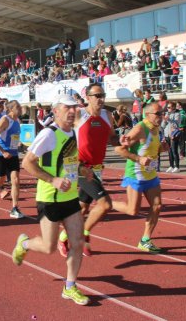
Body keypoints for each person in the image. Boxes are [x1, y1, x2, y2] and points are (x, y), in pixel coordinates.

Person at [11, 94, 90, 306]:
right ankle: (24, 244)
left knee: (77, 242)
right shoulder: (48, 134)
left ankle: (70, 287)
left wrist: (82, 169)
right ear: (55, 111)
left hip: (70, 197)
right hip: (49, 198)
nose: (72, 111)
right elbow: (27, 162)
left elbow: (68, 162)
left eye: (74, 107)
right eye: (67, 107)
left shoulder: (72, 132)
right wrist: (52, 180)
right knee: (49, 247)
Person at [59, 84, 120, 257]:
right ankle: (82, 236)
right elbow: (60, 131)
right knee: (105, 204)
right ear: (88, 97)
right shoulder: (79, 114)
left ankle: (64, 236)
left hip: (96, 167)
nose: (101, 99)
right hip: (80, 167)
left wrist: (124, 141)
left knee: (83, 208)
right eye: (97, 95)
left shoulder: (108, 115)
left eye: (103, 95)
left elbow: (112, 139)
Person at [112, 102, 167, 253]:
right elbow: (119, 149)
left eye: (162, 113)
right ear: (148, 115)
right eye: (158, 114)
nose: (161, 117)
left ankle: (145, 240)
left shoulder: (156, 128)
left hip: (151, 175)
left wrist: (163, 148)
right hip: (136, 174)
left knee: (157, 206)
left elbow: (151, 149)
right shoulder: (139, 129)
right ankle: (108, 203)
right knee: (132, 211)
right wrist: (138, 159)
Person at [163, 102, 182, 173]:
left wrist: (168, 119)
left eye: (169, 107)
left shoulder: (177, 114)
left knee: (174, 150)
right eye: (167, 107)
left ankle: (177, 166)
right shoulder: (167, 114)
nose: (168, 109)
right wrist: (164, 120)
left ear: (173, 107)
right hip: (167, 134)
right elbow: (163, 125)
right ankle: (171, 165)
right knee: (169, 151)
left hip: (174, 134)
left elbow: (176, 124)